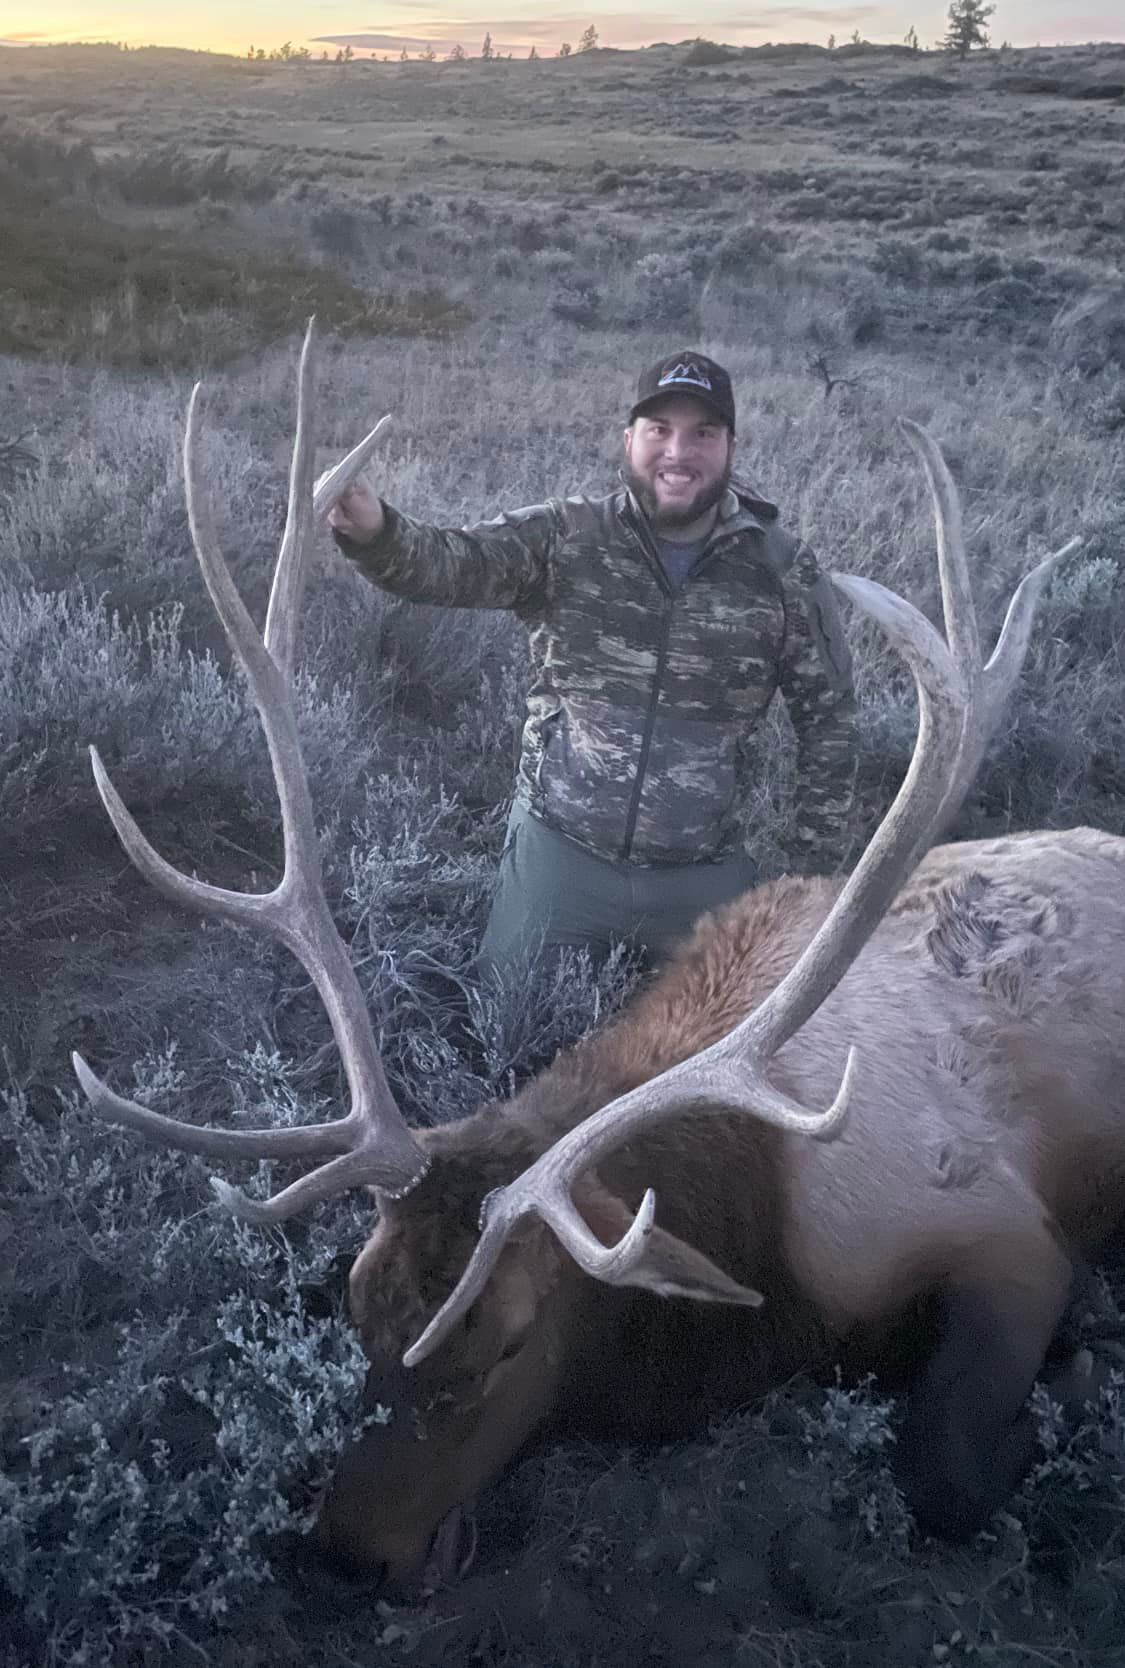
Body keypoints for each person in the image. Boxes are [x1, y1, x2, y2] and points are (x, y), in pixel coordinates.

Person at [326, 350, 856, 976]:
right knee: (509, 1032)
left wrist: (803, 879)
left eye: (703, 434)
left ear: (731, 447)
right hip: (560, 856)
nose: (678, 453)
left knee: (724, 1058)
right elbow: (449, 564)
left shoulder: (783, 570)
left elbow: (832, 724)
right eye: (659, 430)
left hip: (705, 876)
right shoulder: (567, 537)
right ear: (628, 440)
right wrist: (373, 529)